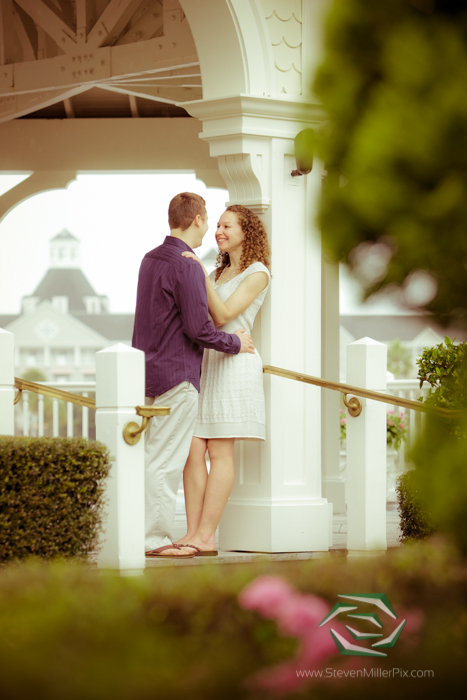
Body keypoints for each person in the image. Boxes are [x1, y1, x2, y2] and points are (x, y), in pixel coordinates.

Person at [132, 193, 255, 559]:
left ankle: (141, 534)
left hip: (148, 373)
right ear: (198, 219)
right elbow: (200, 329)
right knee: (165, 461)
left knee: (152, 456)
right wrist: (235, 342)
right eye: (211, 221)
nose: (213, 228)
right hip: (179, 375)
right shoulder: (187, 265)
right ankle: (152, 540)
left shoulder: (149, 259)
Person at [174, 204, 271, 556]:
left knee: (219, 449)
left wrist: (198, 274)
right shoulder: (217, 275)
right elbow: (204, 320)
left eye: (227, 226)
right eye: (216, 225)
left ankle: (206, 537)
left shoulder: (258, 272)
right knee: (192, 449)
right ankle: (191, 532)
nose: (218, 231)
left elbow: (225, 314)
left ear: (247, 231)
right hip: (210, 361)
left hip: (236, 365)